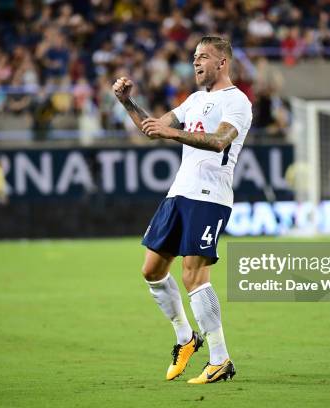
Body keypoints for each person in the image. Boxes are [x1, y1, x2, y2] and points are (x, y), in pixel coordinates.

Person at [112, 36, 252, 384]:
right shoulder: (193, 100)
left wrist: (171, 134)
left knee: (193, 275)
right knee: (152, 270)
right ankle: (186, 338)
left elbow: (220, 140)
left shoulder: (237, 101)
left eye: (203, 57)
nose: (196, 63)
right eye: (193, 58)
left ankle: (220, 360)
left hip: (209, 196)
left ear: (222, 62)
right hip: (179, 192)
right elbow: (152, 128)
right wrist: (128, 103)